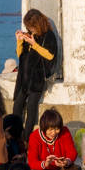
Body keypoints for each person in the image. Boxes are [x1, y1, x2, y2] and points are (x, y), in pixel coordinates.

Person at [11, 9, 58, 137]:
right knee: (17, 107)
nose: (30, 29)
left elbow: (50, 55)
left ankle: (26, 139)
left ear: (38, 24)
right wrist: (19, 41)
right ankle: (16, 135)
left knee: (31, 110)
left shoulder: (49, 36)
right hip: (24, 78)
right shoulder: (32, 35)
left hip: (37, 79)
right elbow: (21, 55)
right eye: (28, 27)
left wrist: (34, 45)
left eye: (31, 26)